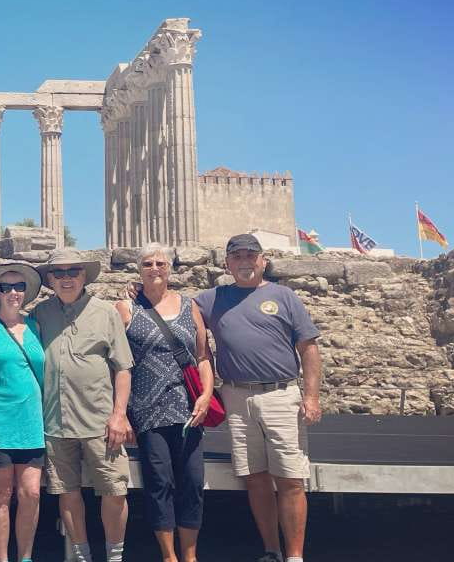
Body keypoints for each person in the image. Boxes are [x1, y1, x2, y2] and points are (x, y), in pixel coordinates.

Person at [194, 234, 322, 562]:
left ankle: (295, 556)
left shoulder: (284, 296)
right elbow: (175, 306)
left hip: (280, 395)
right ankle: (272, 550)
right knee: (255, 479)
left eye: (251, 255)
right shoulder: (212, 298)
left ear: (263, 260)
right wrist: (138, 294)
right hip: (237, 398)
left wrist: (311, 396)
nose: (245, 261)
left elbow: (308, 348)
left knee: (290, 478)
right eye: (237, 256)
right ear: (227, 264)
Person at [114, 243, 214, 562]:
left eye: (160, 263)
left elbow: (202, 356)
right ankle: (169, 555)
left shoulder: (190, 306)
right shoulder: (126, 308)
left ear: (170, 268)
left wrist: (207, 394)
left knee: (193, 481)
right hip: (146, 409)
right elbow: (117, 363)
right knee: (160, 481)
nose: (154, 268)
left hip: (187, 408)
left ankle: (190, 554)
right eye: (147, 263)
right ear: (139, 269)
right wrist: (121, 413)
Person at [33, 248, 134, 562]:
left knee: (114, 491)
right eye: (59, 273)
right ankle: (81, 555)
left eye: (72, 272)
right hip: (55, 421)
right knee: (67, 491)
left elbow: (123, 367)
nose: (66, 279)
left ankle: (114, 556)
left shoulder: (105, 312)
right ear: (50, 279)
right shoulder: (40, 313)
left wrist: (119, 415)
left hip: (99, 420)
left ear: (83, 276)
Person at [0, 263, 46, 562]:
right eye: (5, 287)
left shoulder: (36, 326)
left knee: (32, 493)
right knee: (1, 494)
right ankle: (2, 558)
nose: (13, 292)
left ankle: (25, 557)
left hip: (31, 422)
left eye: (19, 287)